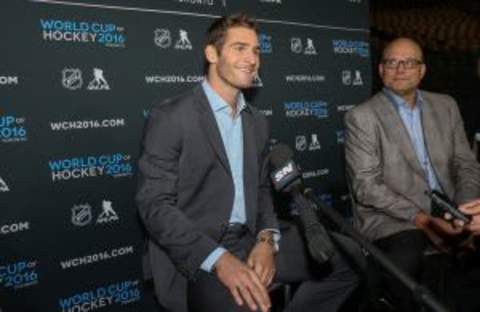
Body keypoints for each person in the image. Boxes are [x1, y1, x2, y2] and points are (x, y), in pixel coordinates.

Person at [137, 13, 360, 312]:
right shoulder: (172, 117)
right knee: (248, 304)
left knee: (350, 259)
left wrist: (267, 239)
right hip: (197, 251)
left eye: (256, 50)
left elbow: (261, 190)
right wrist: (219, 259)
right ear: (212, 54)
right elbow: (155, 206)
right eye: (239, 48)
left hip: (250, 239)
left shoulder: (257, 121)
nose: (252, 59)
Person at [344, 37, 480, 311]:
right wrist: (425, 220)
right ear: (381, 70)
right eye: (392, 62)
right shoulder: (362, 117)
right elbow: (367, 187)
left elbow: (465, 163)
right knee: (405, 262)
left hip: (449, 205)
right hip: (392, 215)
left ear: (422, 70)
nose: (400, 68)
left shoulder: (446, 105)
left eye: (409, 62)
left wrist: (463, 209)